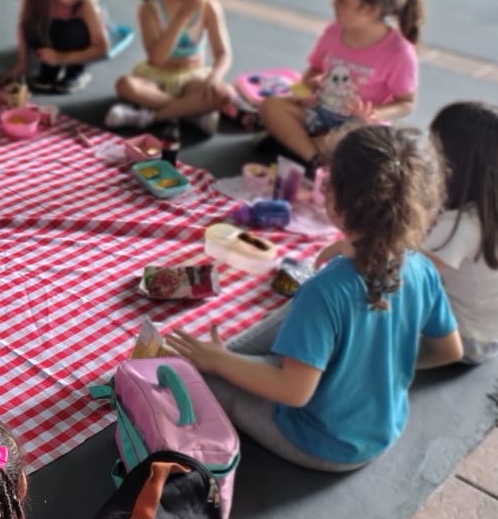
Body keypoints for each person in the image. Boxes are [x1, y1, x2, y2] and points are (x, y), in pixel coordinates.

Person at [167, 125, 463, 472]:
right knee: (269, 348)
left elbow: (294, 391)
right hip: (383, 428)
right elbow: (449, 350)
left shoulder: (324, 291)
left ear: (334, 201)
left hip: (321, 443)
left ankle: (220, 367)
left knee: (202, 377)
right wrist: (380, 367)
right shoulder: (421, 267)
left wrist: (218, 362)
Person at [258, 0, 422, 171]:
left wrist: (374, 113)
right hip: (319, 114)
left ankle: (298, 145)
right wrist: (304, 89)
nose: (333, 3)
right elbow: (315, 68)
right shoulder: (333, 32)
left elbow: (406, 103)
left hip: (356, 127)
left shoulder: (399, 52)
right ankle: (313, 158)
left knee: (354, 145)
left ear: (370, 9)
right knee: (270, 106)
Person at [422, 102, 498, 363]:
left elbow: (401, 276)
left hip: (465, 341)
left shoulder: (460, 227)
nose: (426, 151)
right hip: (496, 334)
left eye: (433, 144)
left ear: (455, 162)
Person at [106, 0, 235, 134]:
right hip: (156, 77)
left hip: (192, 77)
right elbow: (157, 59)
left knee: (225, 93)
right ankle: (190, 112)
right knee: (125, 85)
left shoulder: (208, 7)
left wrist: (214, 77)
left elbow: (223, 54)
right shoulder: (149, 9)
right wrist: (181, 18)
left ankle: (149, 117)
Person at [3, 0, 109, 95]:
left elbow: (102, 47)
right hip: (56, 33)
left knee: (72, 30)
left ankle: (77, 71)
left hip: (79, 37)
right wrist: (22, 63)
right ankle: (49, 70)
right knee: (32, 26)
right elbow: (23, 28)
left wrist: (61, 58)